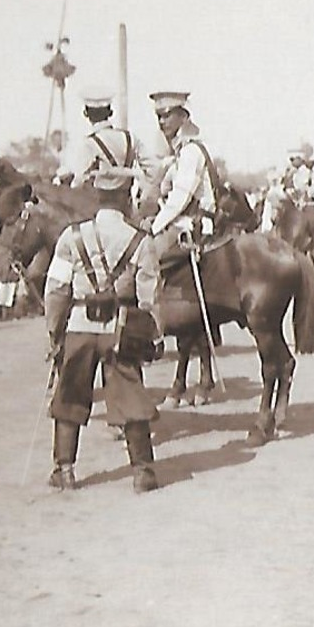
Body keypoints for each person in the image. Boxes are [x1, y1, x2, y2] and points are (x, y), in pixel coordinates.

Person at [44, 156, 164, 492]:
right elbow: (149, 296)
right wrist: (154, 334)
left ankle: (64, 470)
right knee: (131, 396)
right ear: (127, 198)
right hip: (121, 328)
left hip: (79, 327)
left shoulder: (72, 236)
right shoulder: (141, 241)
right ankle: (143, 472)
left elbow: (55, 291)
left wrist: (55, 334)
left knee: (69, 395)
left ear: (97, 197)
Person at [147, 91, 217, 259]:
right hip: (180, 223)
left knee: (144, 257)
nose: (162, 122)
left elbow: (180, 197)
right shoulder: (179, 154)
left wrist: (154, 228)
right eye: (159, 117)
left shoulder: (191, 151)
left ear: (184, 117)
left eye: (167, 115)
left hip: (192, 226)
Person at [58, 89, 146, 191]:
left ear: (85, 113)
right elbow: (154, 168)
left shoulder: (90, 143)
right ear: (110, 112)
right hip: (126, 204)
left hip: (100, 203)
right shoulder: (130, 137)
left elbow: (78, 180)